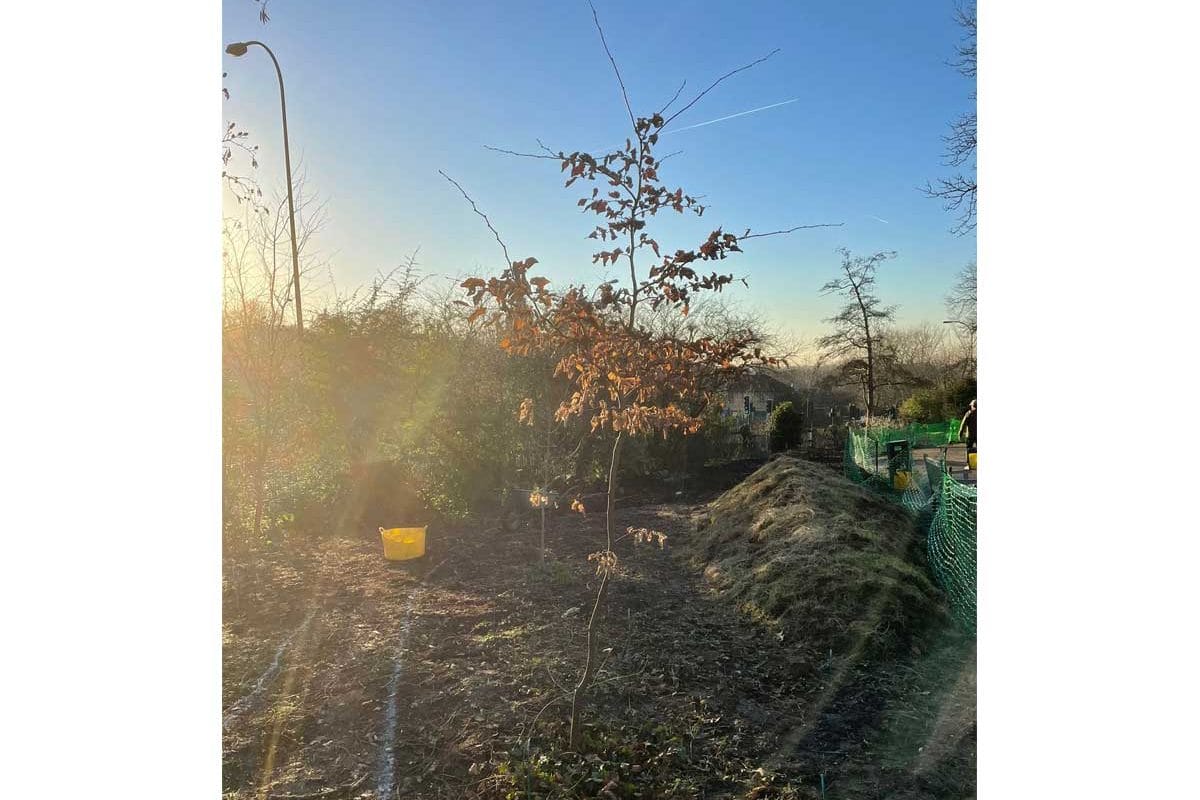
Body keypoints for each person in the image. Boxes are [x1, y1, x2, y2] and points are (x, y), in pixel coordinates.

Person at [958, 399, 977, 465]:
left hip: (970, 435)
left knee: (969, 449)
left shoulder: (969, 413)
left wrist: (960, 433)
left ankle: (969, 464)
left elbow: (963, 424)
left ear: (972, 406)